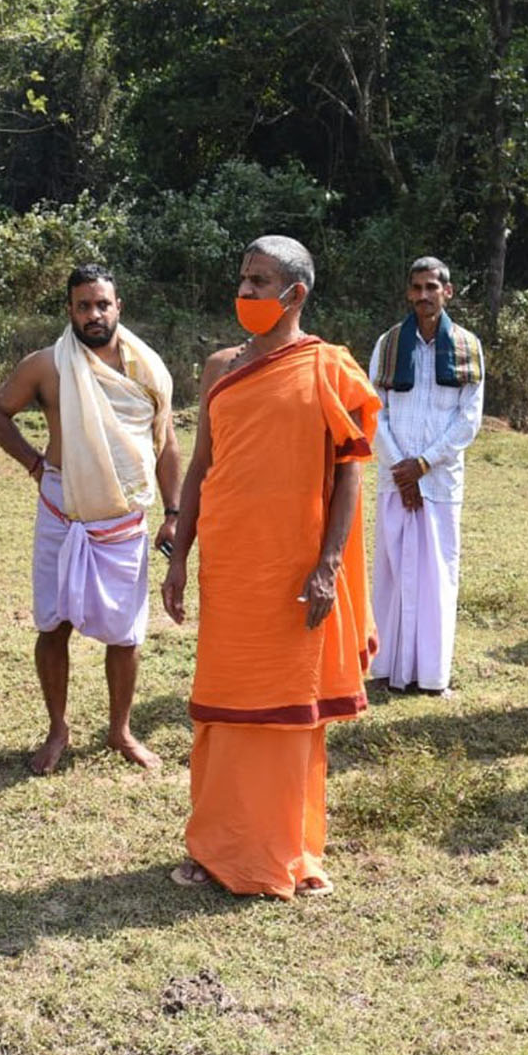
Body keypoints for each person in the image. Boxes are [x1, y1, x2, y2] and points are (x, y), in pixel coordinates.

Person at [161, 235, 379, 899]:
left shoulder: (330, 368)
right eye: (243, 278)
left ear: (295, 293)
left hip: (294, 571)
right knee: (224, 708)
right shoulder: (220, 367)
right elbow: (202, 465)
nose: (246, 291)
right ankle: (215, 848)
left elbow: (350, 472)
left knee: (290, 713)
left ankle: (289, 852)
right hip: (231, 568)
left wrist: (328, 564)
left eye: (259, 281)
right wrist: (179, 554)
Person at [0, 264, 181, 775]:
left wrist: (173, 512)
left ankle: (120, 730)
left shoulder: (148, 369)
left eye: (102, 304)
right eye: (84, 306)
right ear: (69, 310)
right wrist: (33, 463)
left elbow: (165, 444)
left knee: (126, 632)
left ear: (118, 307)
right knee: (53, 623)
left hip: (124, 517)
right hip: (62, 509)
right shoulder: (47, 365)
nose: (94, 314)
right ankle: (58, 729)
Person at [366, 256, 485, 697]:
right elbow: (373, 410)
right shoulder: (389, 344)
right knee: (391, 571)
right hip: (395, 478)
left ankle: (432, 676)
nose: (423, 295)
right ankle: (385, 667)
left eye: (431, 287)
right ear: (408, 293)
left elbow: (469, 419)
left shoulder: (468, 346)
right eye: (416, 288)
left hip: (439, 481)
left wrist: (423, 464)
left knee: (437, 575)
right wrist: (402, 467)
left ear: (447, 292)